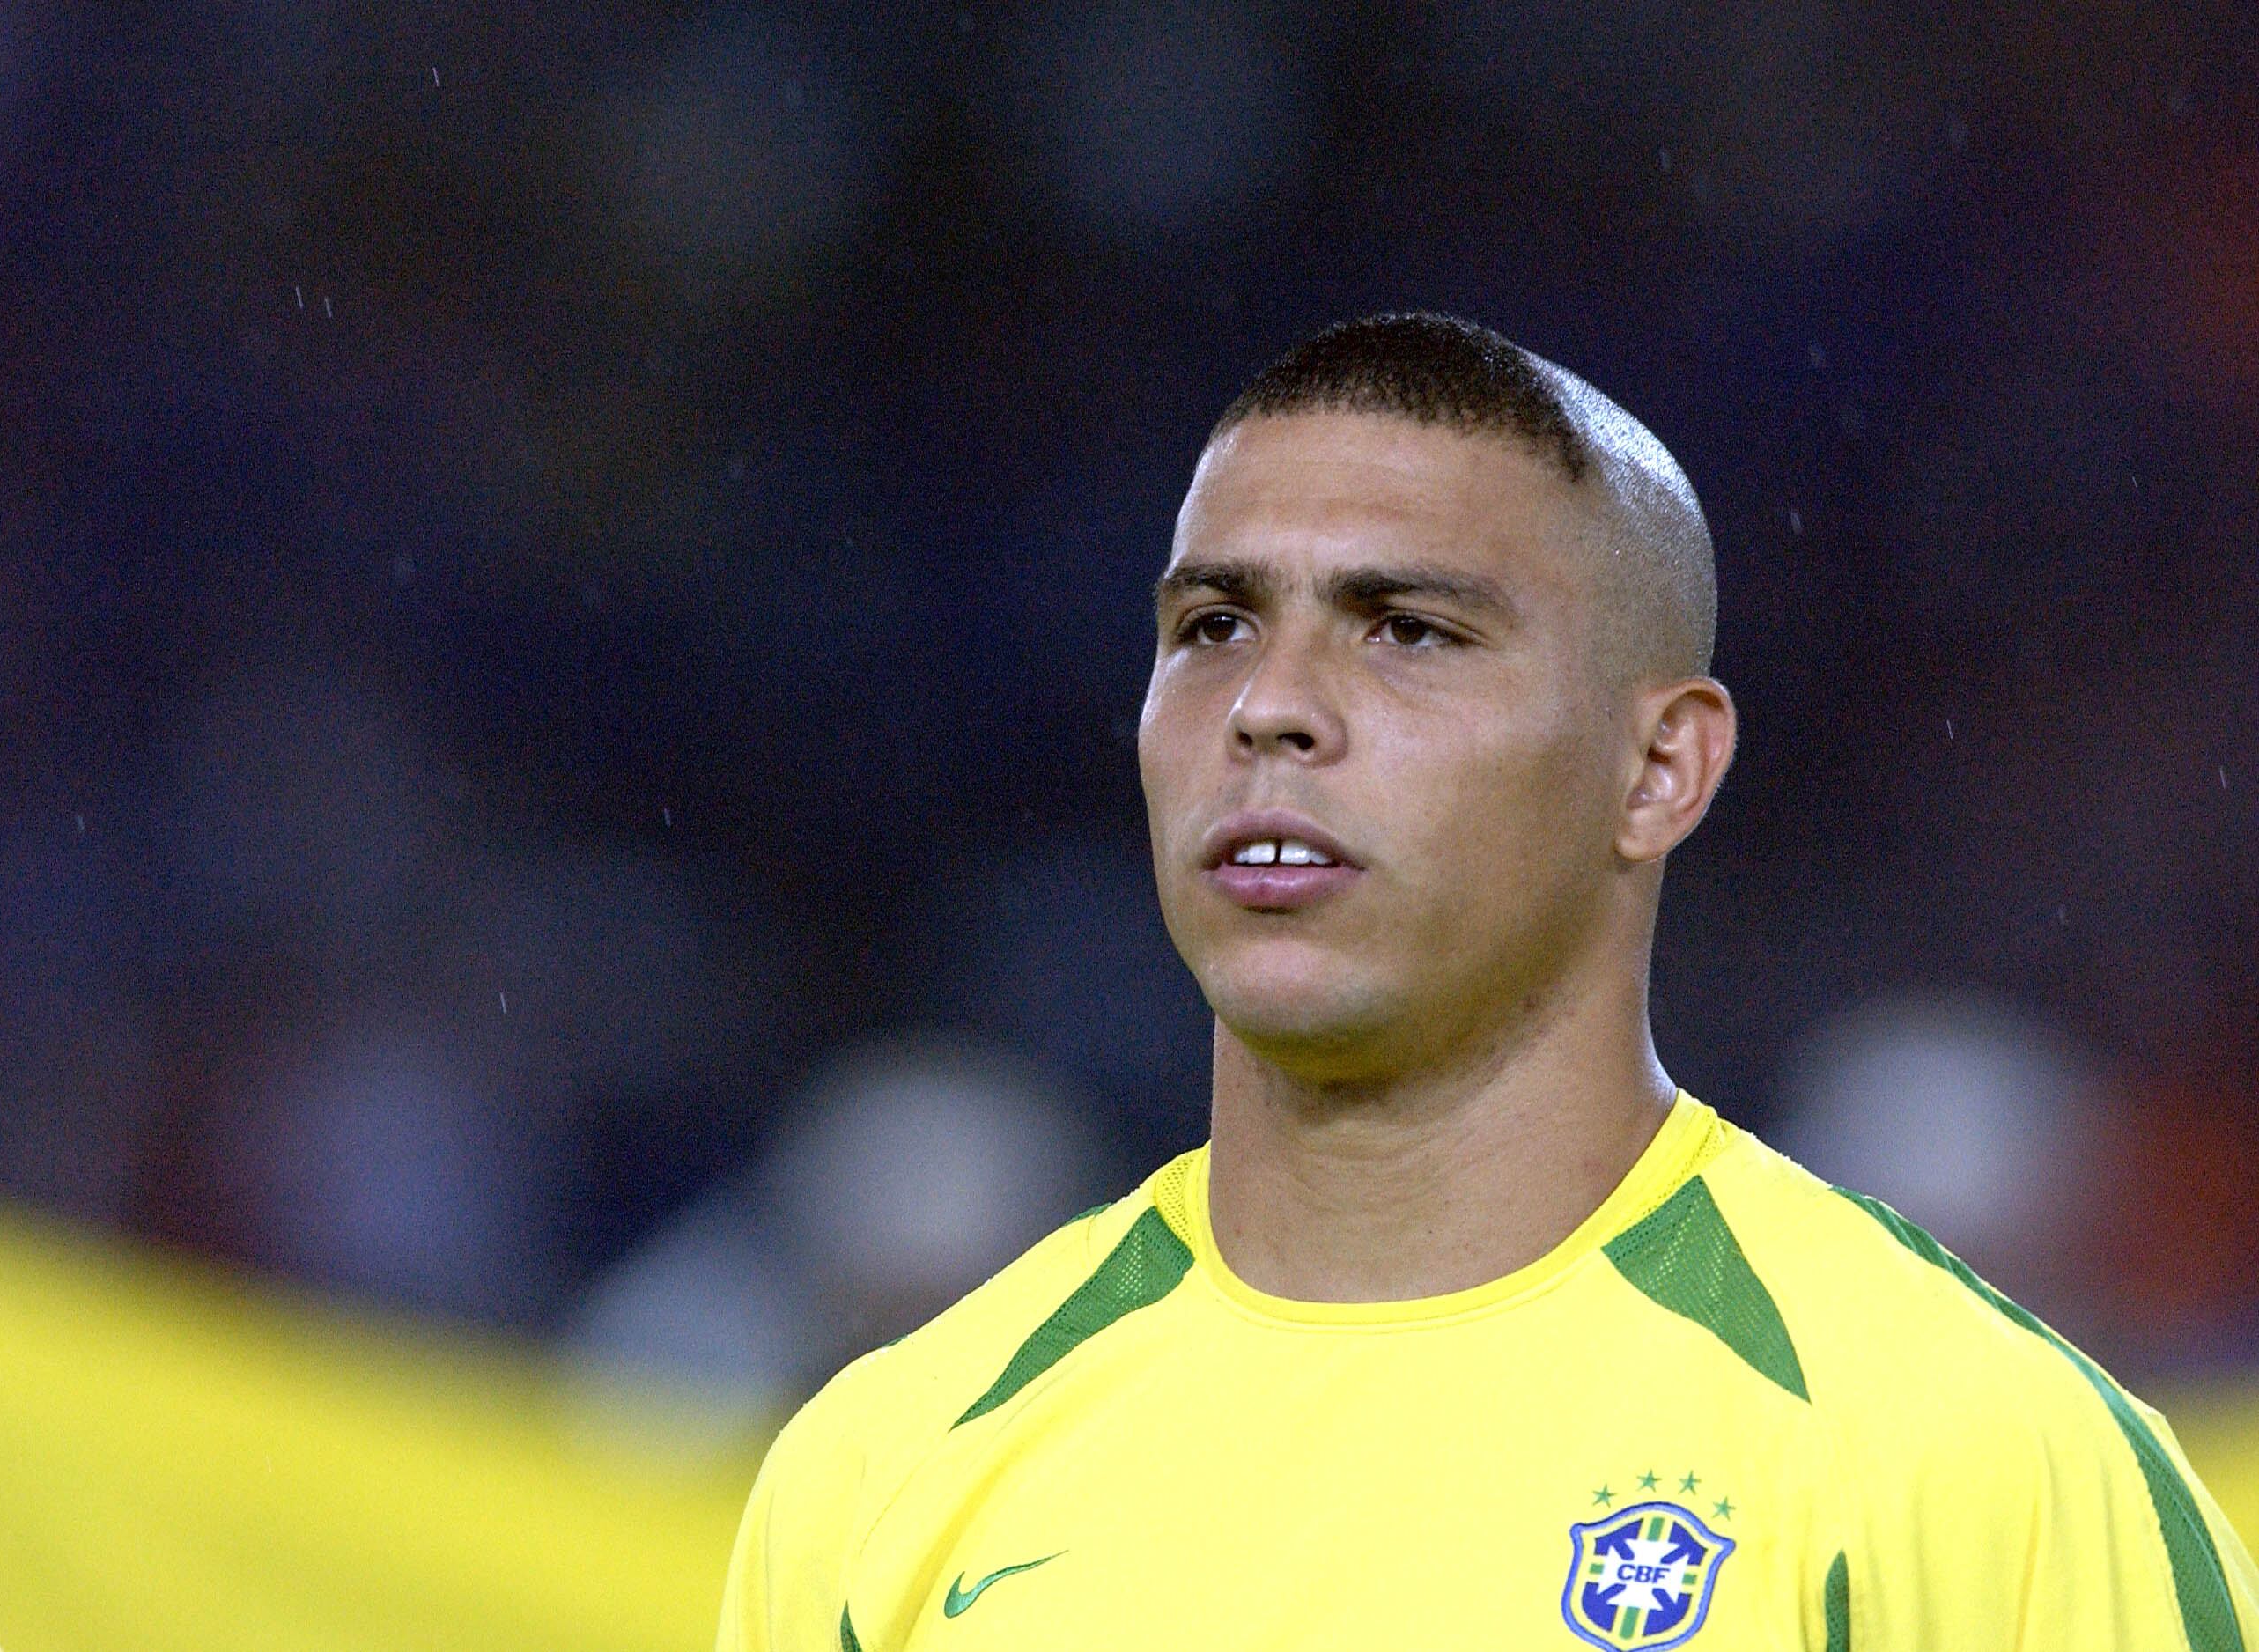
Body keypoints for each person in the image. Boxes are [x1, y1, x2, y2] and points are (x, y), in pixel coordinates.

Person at [714, 313, 2259, 1650]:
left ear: (1660, 767)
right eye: (1212, 626)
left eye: (1408, 629)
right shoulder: (886, 1466)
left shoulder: (1975, 1462)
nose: (1271, 708)